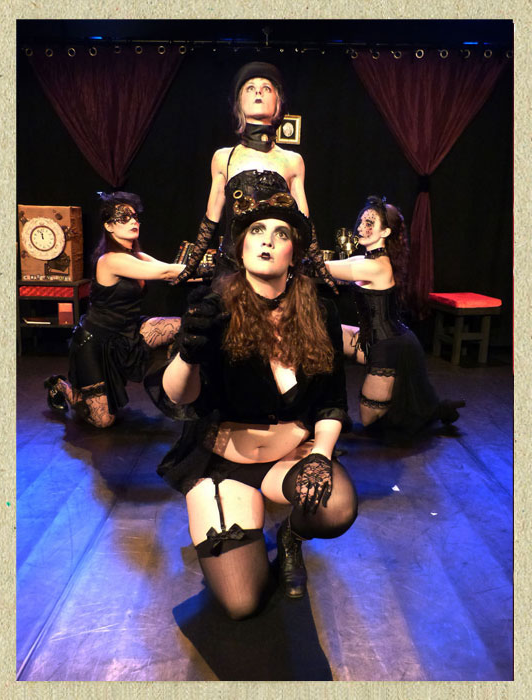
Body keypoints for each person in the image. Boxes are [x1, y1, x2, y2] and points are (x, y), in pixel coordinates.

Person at [146, 189, 357, 620]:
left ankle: (291, 537)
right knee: (242, 602)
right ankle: (245, 519)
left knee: (335, 506)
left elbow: (333, 403)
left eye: (281, 234)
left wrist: (320, 453)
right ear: (240, 247)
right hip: (224, 463)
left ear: (294, 252)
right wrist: (188, 353)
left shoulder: (320, 312)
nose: (268, 240)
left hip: (288, 457)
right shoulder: (215, 309)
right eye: (257, 231)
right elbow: (178, 397)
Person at [174, 60, 337, 292]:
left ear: (278, 102)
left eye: (266, 88)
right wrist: (189, 267)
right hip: (232, 272)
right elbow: (211, 220)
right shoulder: (224, 157)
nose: (258, 92)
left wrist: (322, 271)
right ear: (239, 102)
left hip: (274, 270)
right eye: (250, 88)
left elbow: (305, 223)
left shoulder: (293, 160)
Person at [325, 195, 465, 438]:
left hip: (390, 347)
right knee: (323, 332)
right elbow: (335, 265)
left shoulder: (376, 266)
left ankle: (431, 412)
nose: (361, 228)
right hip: (371, 338)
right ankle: (327, 408)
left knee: (370, 421)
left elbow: (326, 268)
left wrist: (297, 254)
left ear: (385, 232)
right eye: (361, 221)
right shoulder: (366, 259)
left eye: (370, 223)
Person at [44, 191, 184, 428]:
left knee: (185, 326)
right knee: (104, 421)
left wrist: (214, 268)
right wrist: (205, 267)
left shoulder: (137, 256)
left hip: (127, 333)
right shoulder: (109, 260)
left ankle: (175, 390)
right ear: (108, 226)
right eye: (124, 218)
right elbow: (167, 272)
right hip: (95, 344)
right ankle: (61, 386)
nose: (133, 221)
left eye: (134, 217)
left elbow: (175, 272)